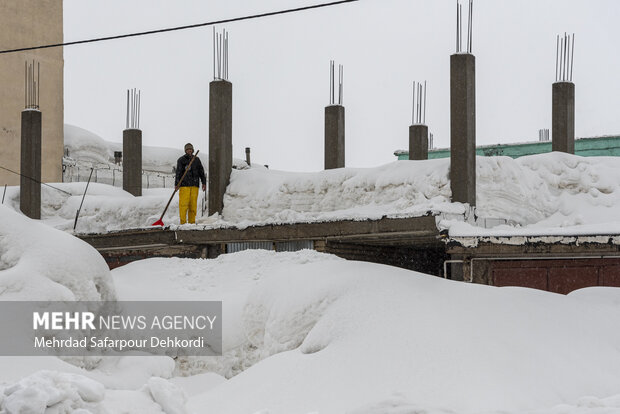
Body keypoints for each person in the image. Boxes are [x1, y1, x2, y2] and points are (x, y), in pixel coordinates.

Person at [175, 143, 206, 224]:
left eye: (191, 149)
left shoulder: (196, 160)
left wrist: (204, 182)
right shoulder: (181, 160)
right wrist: (177, 184)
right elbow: (178, 173)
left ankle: (192, 223)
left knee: (193, 206)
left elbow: (201, 172)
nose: (189, 150)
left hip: (194, 186)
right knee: (183, 205)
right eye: (188, 149)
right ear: (185, 150)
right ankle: (183, 223)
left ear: (192, 150)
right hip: (184, 186)